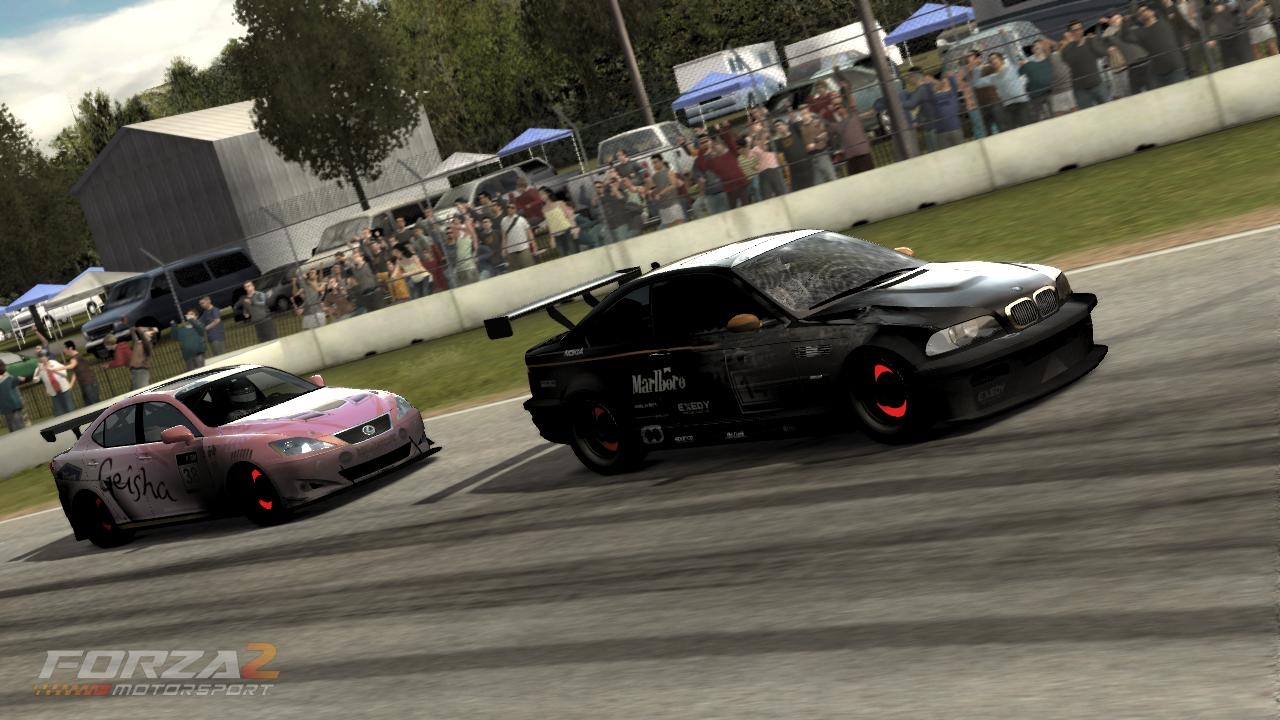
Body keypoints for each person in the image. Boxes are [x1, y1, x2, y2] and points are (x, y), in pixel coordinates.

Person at [32, 349, 76, 416]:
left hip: (64, 389)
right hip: (53, 392)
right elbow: (35, 381)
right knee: (60, 412)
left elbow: (65, 374)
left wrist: (53, 370)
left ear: (47, 357)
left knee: (70, 408)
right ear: (39, 358)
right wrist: (38, 371)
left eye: (44, 356)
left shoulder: (54, 363)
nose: (43, 358)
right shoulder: (39, 368)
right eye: (41, 357)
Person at [499, 200, 537, 270]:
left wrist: (534, 245)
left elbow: (529, 233)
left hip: (523, 249)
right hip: (511, 252)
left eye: (512, 207)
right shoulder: (503, 221)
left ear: (515, 209)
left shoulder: (521, 220)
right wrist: (503, 249)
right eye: (508, 207)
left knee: (530, 269)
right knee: (516, 273)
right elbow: (504, 237)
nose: (510, 209)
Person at [62, 340, 100, 406]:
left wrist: (58, 368)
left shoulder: (75, 358)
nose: (64, 350)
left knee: (94, 404)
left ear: (70, 348)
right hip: (86, 384)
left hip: (89, 383)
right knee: (90, 404)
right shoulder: (76, 357)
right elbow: (75, 373)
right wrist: (71, 385)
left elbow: (72, 366)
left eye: (65, 348)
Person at [0, 359, 29, 431]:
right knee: (17, 425)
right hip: (12, 405)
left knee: (15, 426)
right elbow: (20, 379)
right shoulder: (9, 376)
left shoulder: (8, 377)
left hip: (9, 406)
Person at [128, 324, 157, 389]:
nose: (145, 333)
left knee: (141, 390)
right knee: (135, 390)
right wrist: (133, 332)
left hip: (140, 371)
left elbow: (143, 338)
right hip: (135, 371)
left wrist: (141, 332)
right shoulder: (139, 343)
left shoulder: (148, 345)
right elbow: (135, 340)